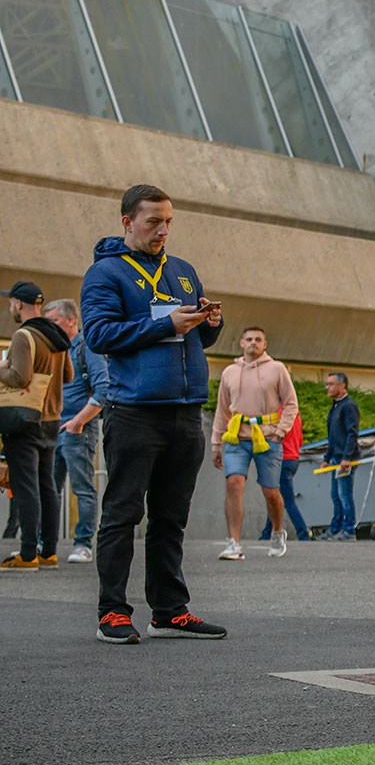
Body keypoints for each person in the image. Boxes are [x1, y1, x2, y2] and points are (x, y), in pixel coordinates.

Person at [79, 184, 226, 642]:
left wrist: (209, 324)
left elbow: (192, 339)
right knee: (123, 513)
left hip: (185, 410)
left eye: (168, 222)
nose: (163, 230)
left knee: (171, 516)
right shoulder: (104, 274)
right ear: (127, 222)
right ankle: (113, 612)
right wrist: (165, 323)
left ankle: (168, 610)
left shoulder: (182, 271)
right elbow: (100, 335)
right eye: (153, 222)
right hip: (135, 411)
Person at [1, 280, 71, 569]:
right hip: (51, 419)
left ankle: (28, 554)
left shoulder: (23, 335)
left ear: (19, 303)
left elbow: (20, 377)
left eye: (10, 303)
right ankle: (48, 552)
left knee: (26, 485)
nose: (10, 307)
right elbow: (67, 376)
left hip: (25, 419)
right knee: (47, 486)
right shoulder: (55, 334)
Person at [210, 326, 297, 560]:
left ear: (265, 344)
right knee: (234, 483)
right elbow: (222, 409)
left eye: (258, 339)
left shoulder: (277, 369)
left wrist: (280, 431)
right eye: (249, 339)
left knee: (271, 491)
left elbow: (291, 404)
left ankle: (278, 531)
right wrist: (216, 443)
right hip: (237, 438)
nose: (253, 343)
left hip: (268, 438)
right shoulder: (230, 372)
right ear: (241, 343)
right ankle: (234, 543)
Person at [46, 298, 107, 564]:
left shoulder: (87, 347)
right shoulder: (54, 349)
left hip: (77, 428)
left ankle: (83, 543)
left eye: (55, 322)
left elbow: (104, 389)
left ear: (71, 320)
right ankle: (44, 543)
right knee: (49, 488)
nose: (51, 328)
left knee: (82, 488)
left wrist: (78, 421)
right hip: (52, 428)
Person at [258, 413, 311, 542]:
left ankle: (303, 533)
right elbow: (300, 441)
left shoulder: (277, 414)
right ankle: (266, 533)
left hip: (282, 459)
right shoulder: (296, 416)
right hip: (293, 459)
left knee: (287, 500)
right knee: (276, 496)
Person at [320, 371, 360, 541]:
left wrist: (346, 458)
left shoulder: (349, 406)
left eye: (331, 384)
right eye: (327, 384)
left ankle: (349, 529)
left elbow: (352, 433)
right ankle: (336, 528)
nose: (328, 387)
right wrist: (326, 458)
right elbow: (332, 436)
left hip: (345, 459)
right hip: (336, 457)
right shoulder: (335, 407)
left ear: (342, 386)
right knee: (335, 495)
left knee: (344, 495)